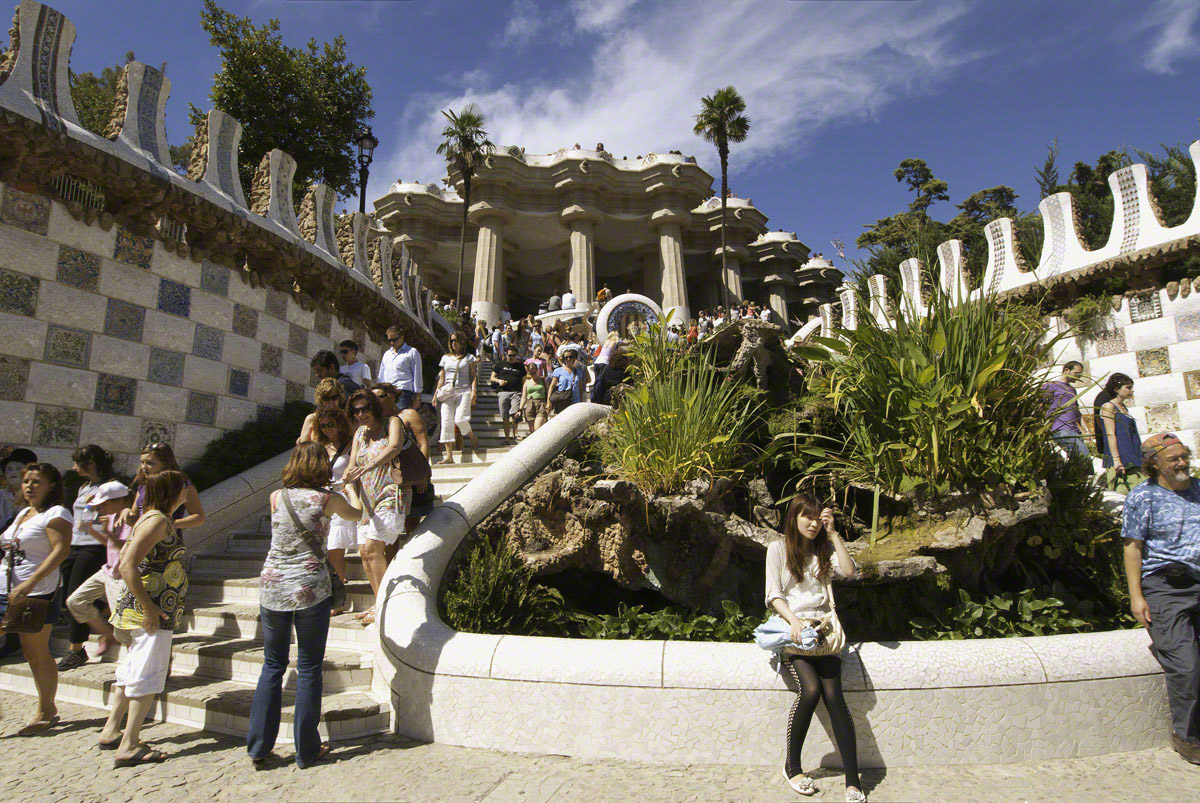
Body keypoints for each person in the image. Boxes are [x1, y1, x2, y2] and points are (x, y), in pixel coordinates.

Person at [247, 443, 362, 769]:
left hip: (272, 586)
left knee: (273, 665)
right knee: (309, 667)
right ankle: (306, 749)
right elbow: (357, 514)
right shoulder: (328, 499)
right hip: (310, 589)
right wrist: (350, 488)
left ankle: (258, 746)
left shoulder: (276, 497)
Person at [766, 494, 864, 801]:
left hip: (823, 633)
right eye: (806, 518)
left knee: (835, 696)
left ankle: (853, 781)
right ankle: (792, 767)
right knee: (810, 690)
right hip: (794, 634)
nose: (813, 524)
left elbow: (849, 572)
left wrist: (834, 535)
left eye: (818, 518)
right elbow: (773, 595)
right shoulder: (778, 549)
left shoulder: (824, 548)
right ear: (794, 518)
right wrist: (794, 621)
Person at [1121, 433, 1200, 765]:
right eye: (1174, 459)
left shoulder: (1198, 489)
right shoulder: (1143, 497)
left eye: (1184, 456)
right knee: (1186, 666)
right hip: (1165, 586)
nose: (1182, 463)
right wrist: (1136, 596)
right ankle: (1186, 737)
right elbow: (1132, 548)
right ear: (1154, 464)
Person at [101, 470, 189, 765]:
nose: (187, 492)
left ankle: (112, 729)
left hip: (150, 606)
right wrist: (150, 608)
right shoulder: (157, 521)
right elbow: (127, 565)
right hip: (152, 609)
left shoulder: (150, 517)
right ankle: (130, 743)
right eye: (184, 487)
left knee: (131, 668)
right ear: (174, 490)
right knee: (148, 674)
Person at [1, 463, 71, 736]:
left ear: (51, 485)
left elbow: (61, 550)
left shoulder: (56, 513)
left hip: (36, 593)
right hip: (6, 588)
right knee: (32, 651)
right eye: (26, 480)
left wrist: (29, 583)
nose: (29, 485)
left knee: (35, 652)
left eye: (37, 481)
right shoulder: (23, 514)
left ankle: (47, 709)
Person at [343, 390, 406, 626]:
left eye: (364, 408)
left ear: (375, 407)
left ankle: (383, 606)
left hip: (389, 492)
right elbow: (352, 464)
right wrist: (348, 476)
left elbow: (395, 447)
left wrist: (368, 466)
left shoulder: (393, 422)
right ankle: (379, 601)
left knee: (372, 549)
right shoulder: (359, 433)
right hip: (367, 499)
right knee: (363, 553)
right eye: (355, 410)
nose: (360, 414)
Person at [57, 444, 119, 671]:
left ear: (90, 463)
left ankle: (76, 649)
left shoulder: (110, 487)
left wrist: (96, 530)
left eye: (77, 462)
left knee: (75, 597)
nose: (74, 467)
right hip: (75, 545)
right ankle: (104, 622)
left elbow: (111, 517)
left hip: (94, 546)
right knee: (69, 596)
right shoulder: (85, 486)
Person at [64, 480, 132, 660]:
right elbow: (109, 544)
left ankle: (151, 661)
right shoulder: (110, 515)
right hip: (107, 571)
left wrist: (107, 532)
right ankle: (108, 634)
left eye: (104, 504)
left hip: (122, 577)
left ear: (120, 501)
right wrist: (93, 531)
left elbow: (124, 548)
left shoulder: (129, 518)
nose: (100, 508)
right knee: (75, 601)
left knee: (125, 631)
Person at [314, 406, 355, 614]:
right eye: (323, 425)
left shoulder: (351, 444)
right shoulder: (320, 446)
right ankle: (333, 591)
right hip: (323, 499)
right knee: (328, 548)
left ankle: (338, 599)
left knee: (335, 547)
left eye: (332, 424)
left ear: (340, 423)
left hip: (342, 498)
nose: (328, 429)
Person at [433, 333, 479, 464]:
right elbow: (442, 377)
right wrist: (436, 393)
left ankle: (471, 436)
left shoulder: (470, 358)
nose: (454, 343)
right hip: (448, 392)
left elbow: (473, 376)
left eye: (456, 341)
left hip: (464, 391)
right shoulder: (445, 358)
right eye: (452, 341)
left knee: (460, 419)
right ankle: (449, 456)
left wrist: (474, 391)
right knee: (446, 422)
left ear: (462, 342)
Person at [1099, 373, 1143, 488]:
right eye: (1128, 387)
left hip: (1133, 456)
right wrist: (1116, 460)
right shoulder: (1109, 407)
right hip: (1121, 458)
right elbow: (1110, 434)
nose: (1131, 391)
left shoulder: (1124, 408)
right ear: (1116, 389)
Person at [1042, 361, 1089, 460]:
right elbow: (1040, 405)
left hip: (1075, 431)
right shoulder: (1051, 386)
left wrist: (1086, 430)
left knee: (1078, 461)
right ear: (1067, 370)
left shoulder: (1072, 390)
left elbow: (1077, 412)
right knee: (1083, 458)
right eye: (1077, 374)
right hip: (1060, 429)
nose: (1079, 377)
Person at [378, 326, 423, 411]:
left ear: (401, 337)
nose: (391, 343)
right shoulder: (387, 354)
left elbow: (417, 374)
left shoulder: (412, 352)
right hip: (387, 392)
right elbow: (381, 374)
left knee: (399, 417)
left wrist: (417, 397)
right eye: (389, 340)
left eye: (394, 340)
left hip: (403, 391)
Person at [296, 377, 349, 444]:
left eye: (334, 398)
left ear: (339, 398)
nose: (330, 402)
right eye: (326, 398)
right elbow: (303, 448)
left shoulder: (345, 418)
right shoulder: (312, 419)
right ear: (321, 400)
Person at [490, 345, 526, 444]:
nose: (511, 357)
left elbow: (524, 381)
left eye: (513, 355)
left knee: (515, 414)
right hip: (503, 392)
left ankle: (515, 433)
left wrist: (523, 393)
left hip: (516, 392)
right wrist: (499, 381)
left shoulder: (520, 366)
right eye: (510, 355)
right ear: (506, 355)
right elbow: (492, 378)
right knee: (505, 417)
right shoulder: (500, 364)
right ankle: (506, 438)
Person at [546, 351, 586, 415]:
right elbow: (552, 386)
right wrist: (548, 402)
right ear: (563, 359)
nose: (568, 359)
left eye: (570, 357)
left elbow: (580, 388)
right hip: (562, 401)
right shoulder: (558, 371)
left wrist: (581, 402)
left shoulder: (578, 372)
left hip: (575, 402)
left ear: (573, 358)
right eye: (566, 357)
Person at [519, 361, 548, 435]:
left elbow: (548, 393)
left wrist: (549, 403)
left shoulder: (543, 380)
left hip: (541, 404)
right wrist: (520, 409)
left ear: (537, 370)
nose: (533, 375)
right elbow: (524, 397)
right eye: (531, 373)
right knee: (532, 433)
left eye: (534, 373)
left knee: (537, 429)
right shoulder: (527, 382)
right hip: (530, 404)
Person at [590, 332, 619, 404]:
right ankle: (600, 399)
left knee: (597, 382)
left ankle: (594, 398)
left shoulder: (606, 342)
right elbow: (624, 344)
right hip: (604, 363)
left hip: (597, 362)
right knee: (602, 382)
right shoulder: (615, 342)